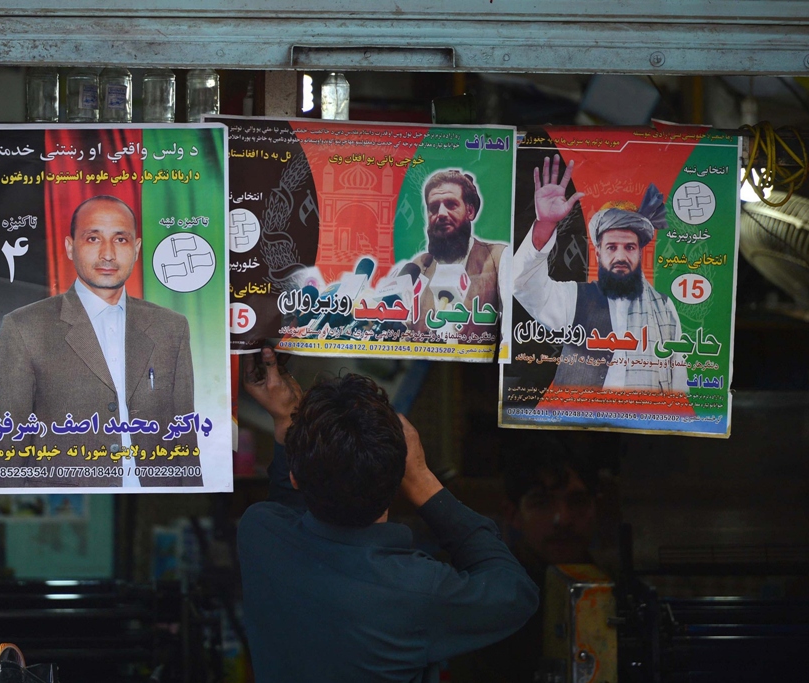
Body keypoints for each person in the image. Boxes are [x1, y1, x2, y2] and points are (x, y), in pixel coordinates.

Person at [238, 346, 539, 682]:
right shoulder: (417, 590)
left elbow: (288, 513)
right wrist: (422, 480)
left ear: (295, 476)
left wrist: (285, 419)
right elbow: (515, 591)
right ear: (398, 481)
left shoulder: (258, 533)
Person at [0, 195, 197, 488]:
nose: (108, 254)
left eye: (121, 240)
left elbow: (185, 439)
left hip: (153, 504)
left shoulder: (171, 327)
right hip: (69, 509)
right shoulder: (25, 327)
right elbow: (7, 450)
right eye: (93, 238)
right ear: (70, 247)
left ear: (136, 249)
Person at [513, 155, 688, 391]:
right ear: (598, 255)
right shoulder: (575, 298)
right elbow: (520, 283)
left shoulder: (665, 308)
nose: (620, 257)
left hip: (644, 423)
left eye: (629, 247)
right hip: (581, 424)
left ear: (640, 254)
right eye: (611, 247)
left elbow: (678, 385)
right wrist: (544, 224)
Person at [458, 436, 600, 683]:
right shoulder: (489, 604)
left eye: (577, 501)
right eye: (542, 502)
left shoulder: (617, 592)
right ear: (513, 514)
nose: (562, 519)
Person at [404, 169, 511, 349]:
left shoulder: (499, 258)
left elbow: (510, 332)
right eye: (434, 208)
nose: (441, 214)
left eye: (451, 205)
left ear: (469, 210)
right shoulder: (419, 267)